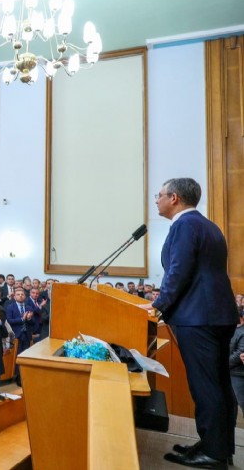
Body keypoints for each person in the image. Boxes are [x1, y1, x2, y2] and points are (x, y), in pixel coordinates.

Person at [143, 178, 238, 468]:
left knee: (205, 386)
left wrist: (158, 304)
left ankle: (213, 453)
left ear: (174, 198)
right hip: (216, 315)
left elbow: (179, 270)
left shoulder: (184, 226)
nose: (155, 200)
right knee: (219, 385)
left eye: (159, 195)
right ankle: (216, 445)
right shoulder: (208, 225)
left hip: (198, 317)